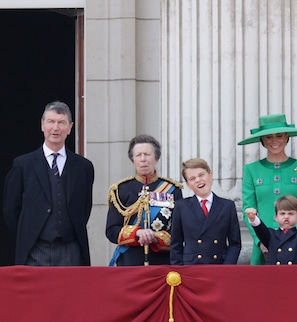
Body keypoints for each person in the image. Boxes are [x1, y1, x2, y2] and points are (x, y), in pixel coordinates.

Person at [3, 101, 94, 266]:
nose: (55, 127)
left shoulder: (83, 167)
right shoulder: (23, 165)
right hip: (35, 250)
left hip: (71, 250)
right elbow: (11, 210)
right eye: (51, 122)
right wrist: (28, 234)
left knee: (71, 292)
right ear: (42, 125)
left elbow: (85, 208)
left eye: (61, 122)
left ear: (70, 127)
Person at [238, 113, 297, 265]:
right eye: (268, 137)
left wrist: (295, 238)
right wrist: (261, 241)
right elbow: (248, 209)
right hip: (263, 246)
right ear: (262, 141)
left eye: (279, 136)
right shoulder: (251, 170)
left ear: (287, 137)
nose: (274, 141)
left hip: (295, 246)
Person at [106, 134, 182, 266]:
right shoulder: (120, 190)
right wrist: (137, 233)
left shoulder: (173, 189)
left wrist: (156, 237)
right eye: (138, 155)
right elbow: (111, 231)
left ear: (156, 158)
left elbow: (180, 231)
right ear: (132, 159)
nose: (143, 159)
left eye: (147, 154)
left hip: (163, 262)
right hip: (130, 261)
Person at [170, 158, 241, 265]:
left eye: (201, 175)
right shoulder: (181, 207)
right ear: (188, 184)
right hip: (191, 267)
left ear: (210, 175)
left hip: (219, 265)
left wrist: (227, 267)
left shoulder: (227, 206)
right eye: (192, 178)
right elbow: (176, 244)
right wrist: (179, 270)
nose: (198, 180)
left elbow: (235, 243)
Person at [245, 195, 297, 265]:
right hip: (275, 274)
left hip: (296, 274)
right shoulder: (271, 235)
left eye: (291, 213)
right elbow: (260, 229)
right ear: (276, 217)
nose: (286, 216)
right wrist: (253, 218)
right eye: (282, 213)